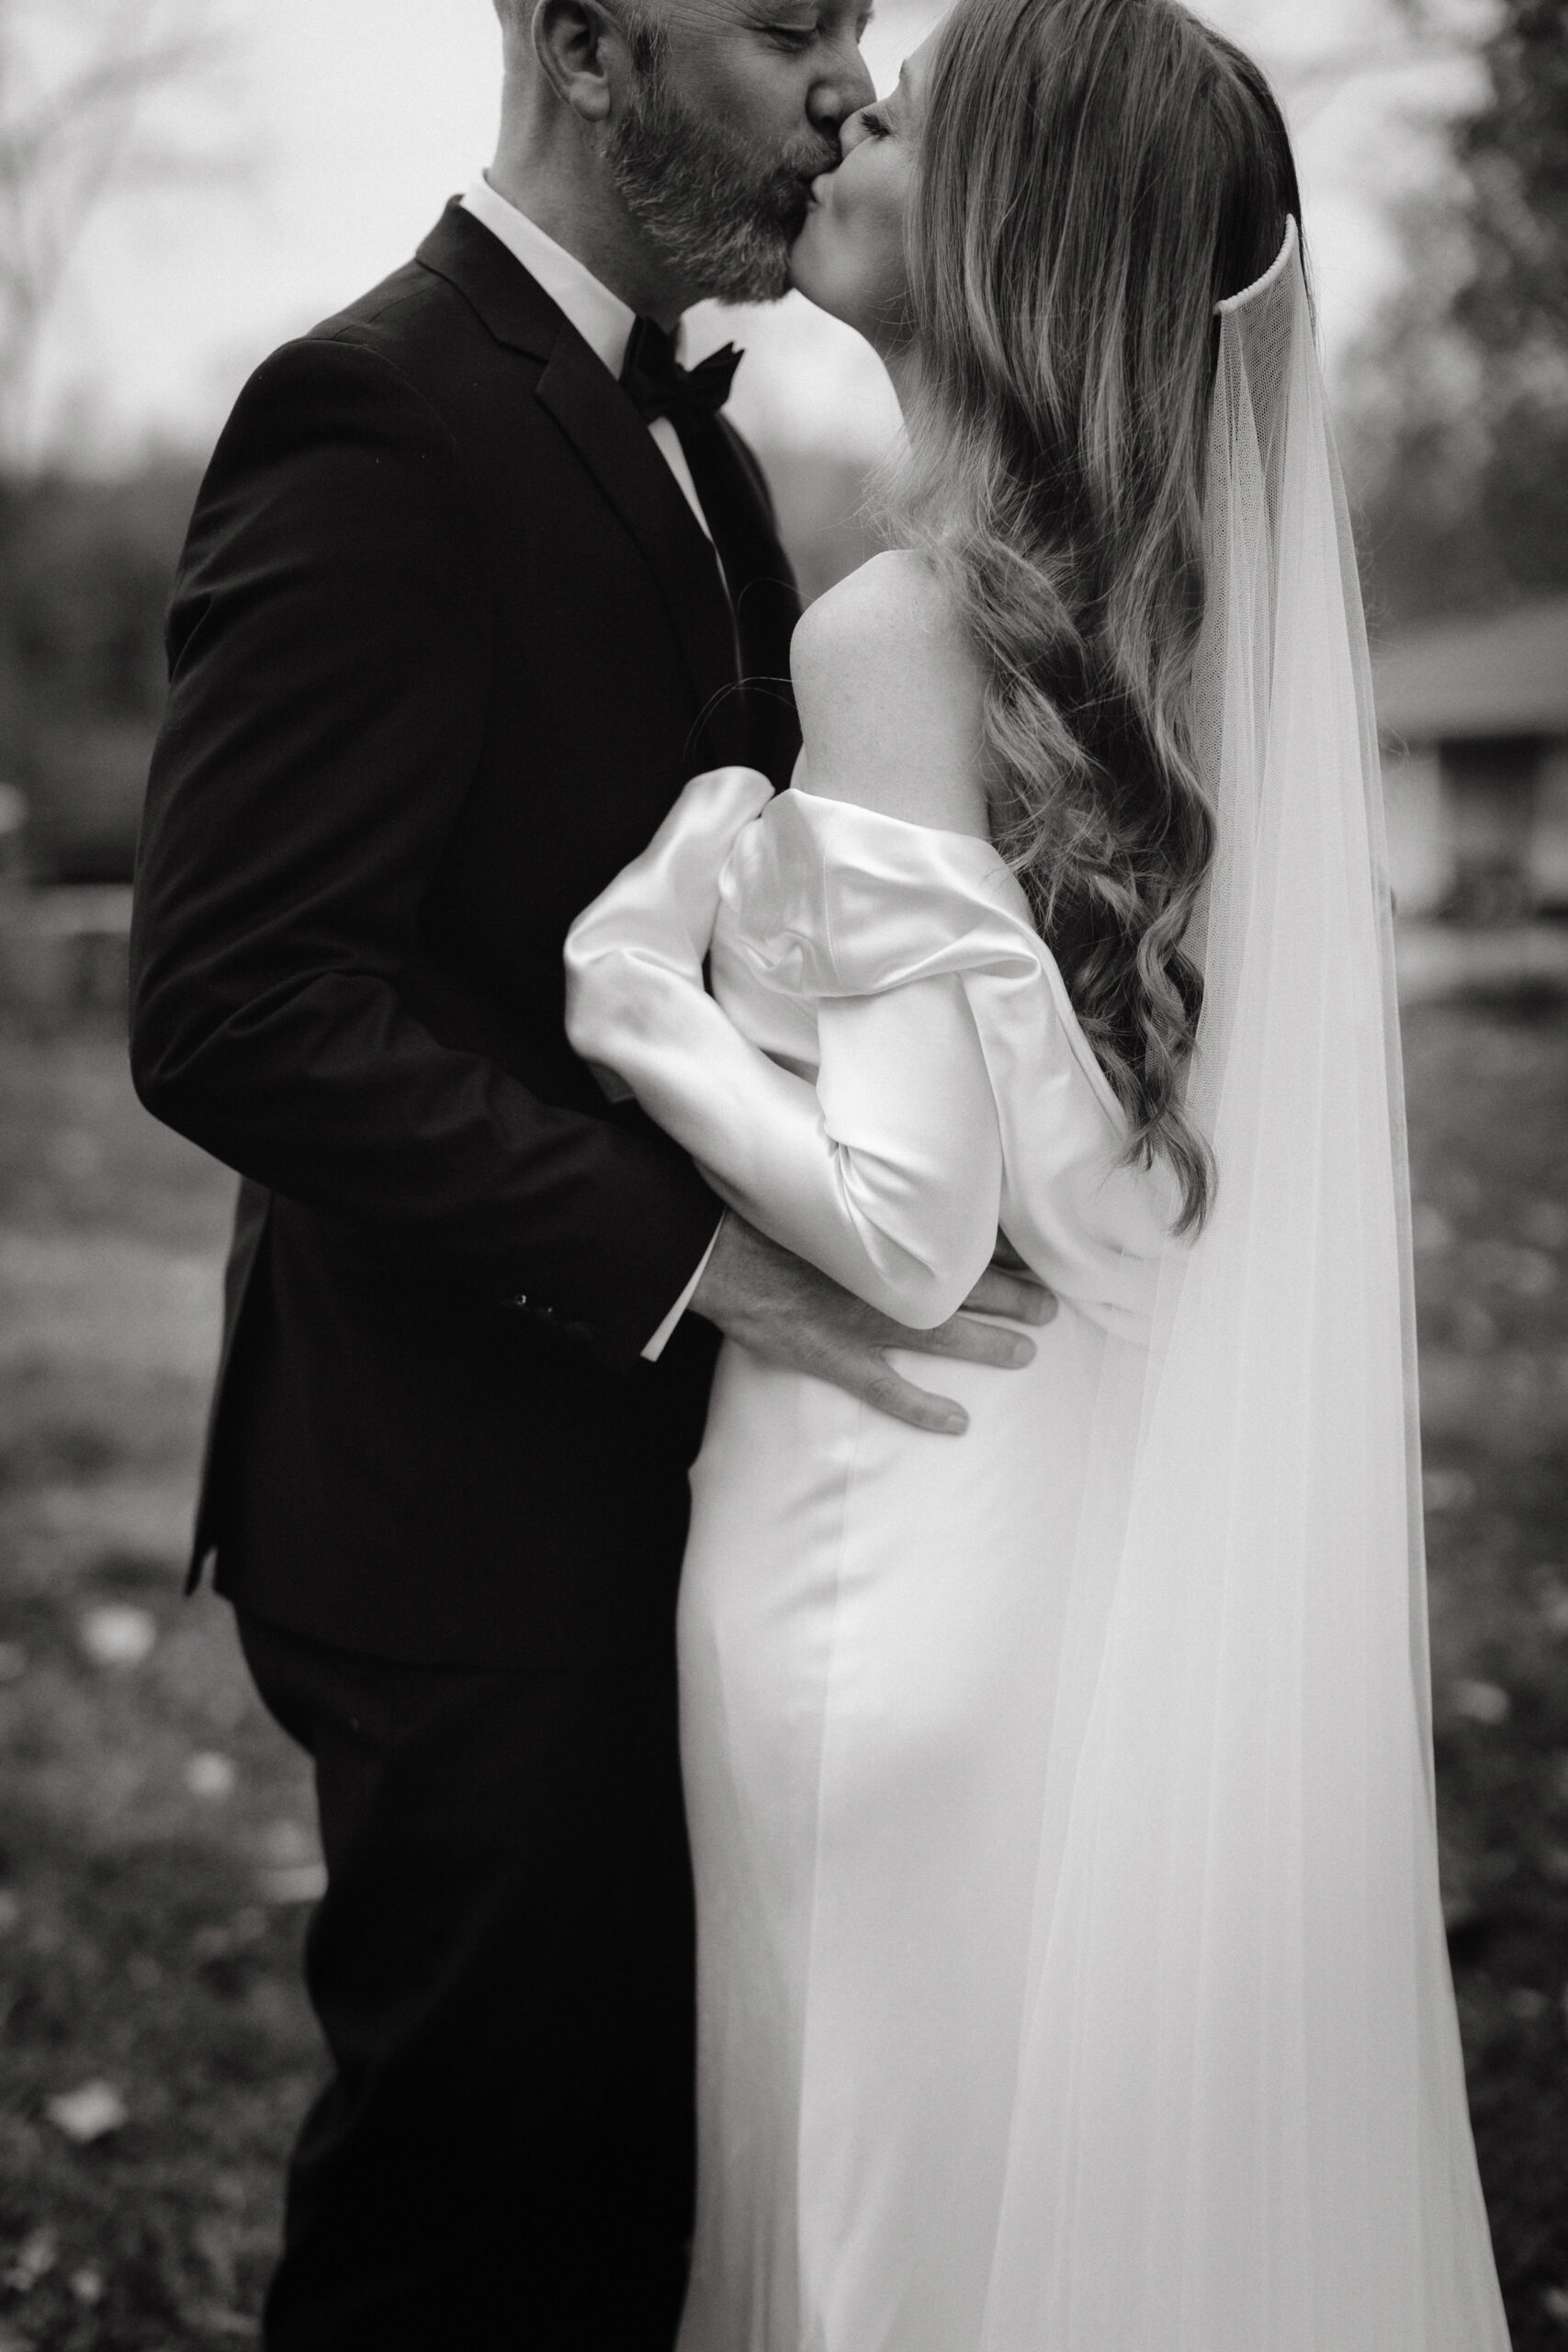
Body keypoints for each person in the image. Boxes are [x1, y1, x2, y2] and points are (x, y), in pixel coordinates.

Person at [564, 0, 1516, 2342]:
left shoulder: (898, 630)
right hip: (1053, 1540)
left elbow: (895, 1219)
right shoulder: (1177, 659)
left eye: (922, 109)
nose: (859, 108)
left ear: (1008, 226)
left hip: (867, 1551)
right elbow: (1114, 1202)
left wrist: (639, 988)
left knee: (856, 2244)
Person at [128, 0, 1053, 2342]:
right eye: (781, 27)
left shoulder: (713, 465)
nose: (842, 89)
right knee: (469, 2219)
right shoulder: (367, 413)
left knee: (631, 2184)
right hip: (447, 1514)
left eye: (855, 36)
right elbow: (238, 1004)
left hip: (649, 1490)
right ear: (579, 37)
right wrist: (699, 1262)